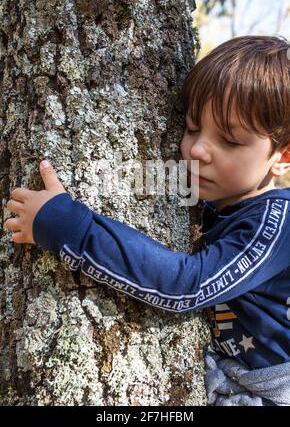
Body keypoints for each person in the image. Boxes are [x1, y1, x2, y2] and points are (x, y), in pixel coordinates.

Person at [4, 35, 290, 406]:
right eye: (191, 127)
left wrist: (70, 228)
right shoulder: (213, 205)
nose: (198, 149)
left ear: (282, 157)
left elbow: (187, 286)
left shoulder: (276, 221)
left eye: (230, 141)